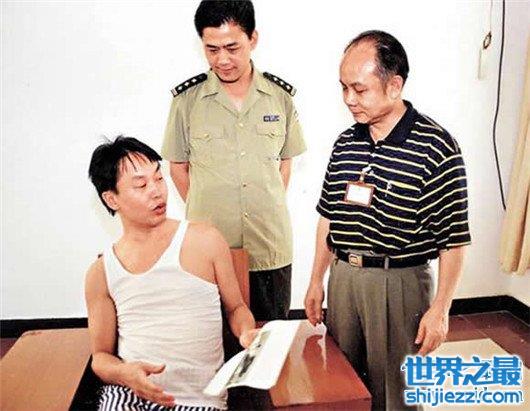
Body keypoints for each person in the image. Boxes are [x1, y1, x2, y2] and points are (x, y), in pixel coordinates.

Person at [304, 31, 471, 410]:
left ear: (394, 86)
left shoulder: (436, 147)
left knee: (397, 393)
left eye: (359, 89)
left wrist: (441, 308)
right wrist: (316, 280)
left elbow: (454, 239)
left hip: (399, 284)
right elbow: (328, 217)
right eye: (343, 88)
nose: (349, 99)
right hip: (344, 280)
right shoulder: (345, 143)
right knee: (344, 385)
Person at [85, 136, 257, 410]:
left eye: (158, 178)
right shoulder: (101, 272)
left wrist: (246, 333)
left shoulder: (205, 240)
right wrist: (124, 373)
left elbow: (236, 308)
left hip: (199, 402)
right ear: (111, 199)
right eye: (141, 185)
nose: (157, 191)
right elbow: (101, 357)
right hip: (130, 396)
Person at [161, 0, 306, 321]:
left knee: (270, 335)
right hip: (210, 249)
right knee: (213, 338)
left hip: (269, 244)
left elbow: (284, 163)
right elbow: (178, 168)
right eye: (212, 50)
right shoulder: (187, 101)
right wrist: (207, 216)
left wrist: (264, 202)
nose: (222, 60)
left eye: (232, 48)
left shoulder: (279, 97)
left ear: (253, 39)